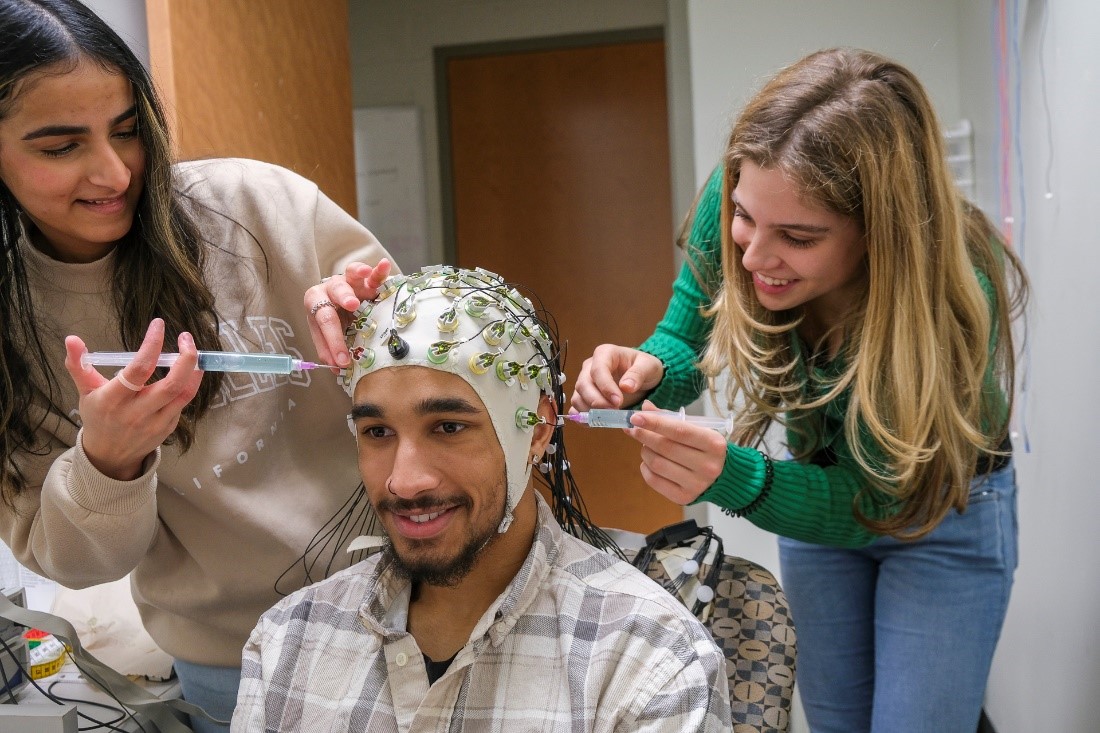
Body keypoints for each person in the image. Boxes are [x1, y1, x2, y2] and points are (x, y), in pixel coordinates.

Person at [571, 48, 1029, 733]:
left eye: (798, 237)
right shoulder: (744, 193)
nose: (752, 255)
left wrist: (735, 478)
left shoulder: (956, 300)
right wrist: (648, 369)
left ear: (879, 234)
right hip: (820, 500)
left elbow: (878, 500)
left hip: (941, 513)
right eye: (744, 217)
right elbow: (686, 340)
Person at [0, 1, 394, 729]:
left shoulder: (258, 205)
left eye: (127, 130)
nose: (113, 171)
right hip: (231, 666)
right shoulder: (13, 321)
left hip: (405, 612)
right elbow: (78, 564)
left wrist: (383, 332)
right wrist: (108, 462)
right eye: (60, 146)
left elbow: (441, 377)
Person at [234, 266, 732, 731]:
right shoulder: (287, 646)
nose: (405, 482)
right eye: (378, 431)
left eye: (449, 427)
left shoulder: (650, 660)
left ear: (538, 430)